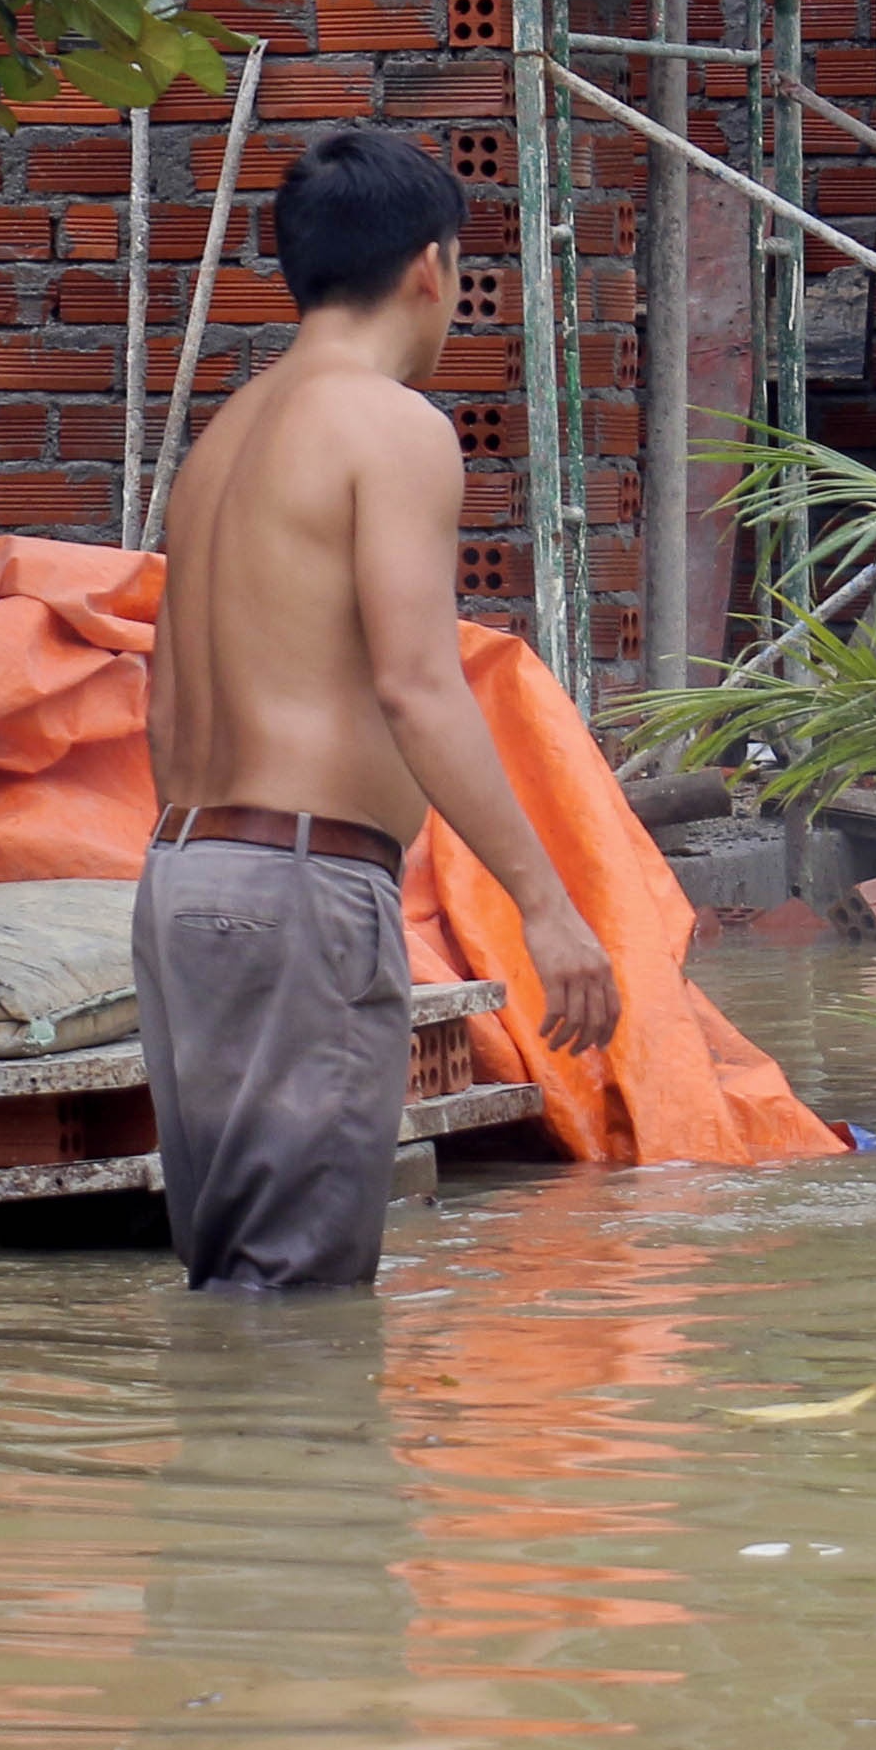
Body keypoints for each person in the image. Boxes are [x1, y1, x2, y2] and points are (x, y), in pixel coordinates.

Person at [143, 125, 616, 1295]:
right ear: (431, 267)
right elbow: (418, 682)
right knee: (300, 1304)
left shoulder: (224, 439)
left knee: (237, 1282)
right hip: (298, 891)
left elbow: (158, 694)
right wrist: (547, 909)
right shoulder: (391, 425)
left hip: (184, 886)